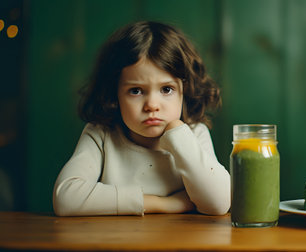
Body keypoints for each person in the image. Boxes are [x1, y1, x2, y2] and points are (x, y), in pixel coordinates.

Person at [53, 21, 230, 216]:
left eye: (166, 89)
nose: (152, 105)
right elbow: (66, 198)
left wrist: (179, 136)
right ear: (114, 94)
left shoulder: (194, 133)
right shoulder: (101, 135)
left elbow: (219, 203)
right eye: (136, 91)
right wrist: (162, 204)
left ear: (184, 91)